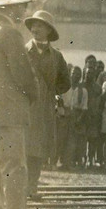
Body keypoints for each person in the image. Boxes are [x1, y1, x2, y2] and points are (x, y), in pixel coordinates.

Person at [0, 0, 39, 209]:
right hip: (9, 115)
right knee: (15, 173)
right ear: (10, 6)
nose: (24, 10)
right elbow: (24, 76)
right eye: (22, 5)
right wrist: (33, 97)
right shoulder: (9, 33)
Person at [23, 10, 71, 195]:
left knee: (38, 150)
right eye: (33, 25)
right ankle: (22, 188)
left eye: (40, 25)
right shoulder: (23, 51)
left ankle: (32, 187)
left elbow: (65, 82)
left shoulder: (56, 56)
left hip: (44, 110)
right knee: (24, 148)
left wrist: (50, 92)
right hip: (26, 107)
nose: (35, 28)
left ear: (49, 30)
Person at [62, 66, 89, 168]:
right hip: (65, 114)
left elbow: (84, 107)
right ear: (70, 74)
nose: (75, 76)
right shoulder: (64, 87)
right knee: (63, 138)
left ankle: (71, 162)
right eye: (73, 73)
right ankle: (61, 162)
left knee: (73, 140)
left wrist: (79, 119)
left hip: (76, 115)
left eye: (78, 74)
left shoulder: (83, 91)